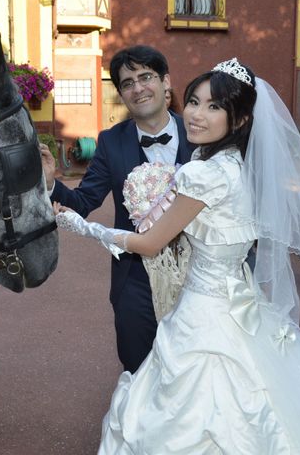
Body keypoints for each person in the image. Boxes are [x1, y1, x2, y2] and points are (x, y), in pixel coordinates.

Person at [55, 59, 300, 453]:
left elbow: (151, 244)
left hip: (204, 315)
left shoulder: (201, 173)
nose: (197, 115)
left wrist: (82, 227)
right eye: (194, 102)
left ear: (239, 120)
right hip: (241, 304)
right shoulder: (238, 166)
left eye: (214, 106)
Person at [40, 45, 196, 374]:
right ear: (122, 95)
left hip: (198, 272)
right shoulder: (111, 141)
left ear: (166, 82)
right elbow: (84, 203)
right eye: (127, 83)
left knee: (195, 369)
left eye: (145, 77)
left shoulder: (199, 134)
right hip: (135, 276)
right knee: (138, 365)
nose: (138, 88)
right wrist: (51, 181)